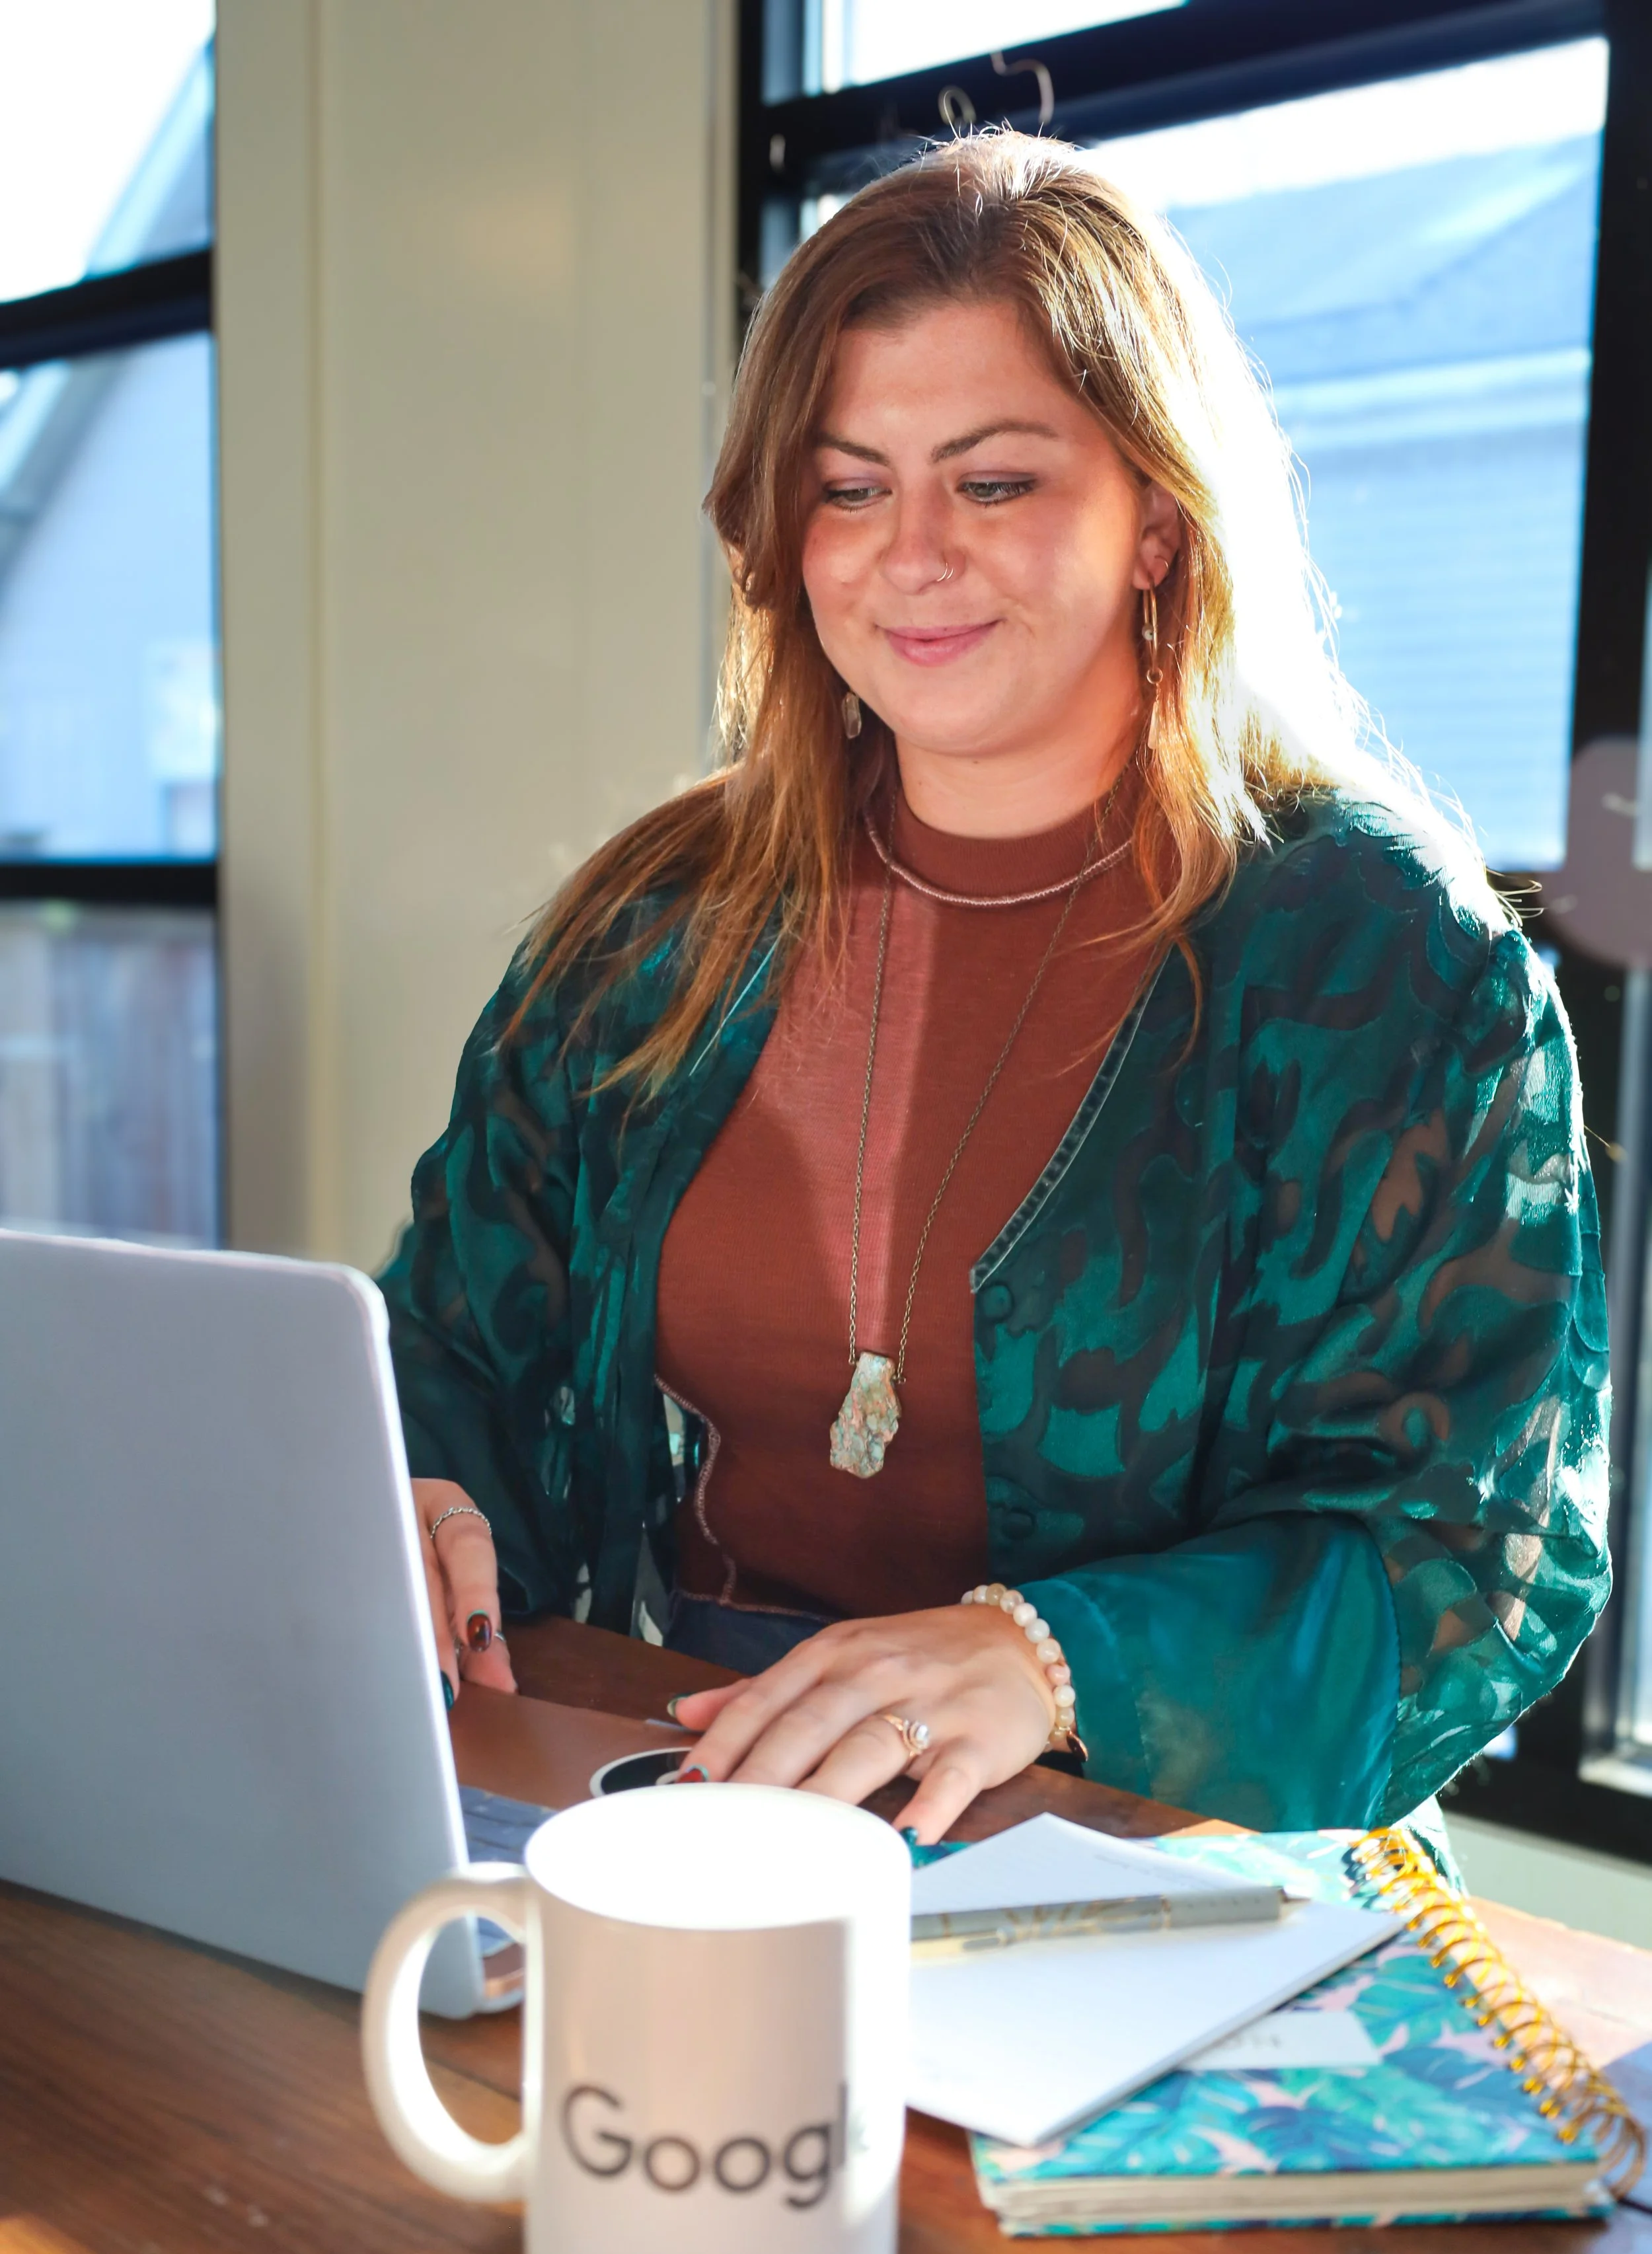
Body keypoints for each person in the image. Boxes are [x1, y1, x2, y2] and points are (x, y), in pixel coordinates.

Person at [381, 133, 1609, 1846]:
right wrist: (421, 1486)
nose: (909, 556)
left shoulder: (1386, 961)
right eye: (850, 483)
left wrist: (1041, 1657)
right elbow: (455, 1337)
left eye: (996, 479)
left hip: (1155, 1837)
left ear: (1158, 518)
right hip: (701, 1787)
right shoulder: (648, 924)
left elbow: (1471, 1552)